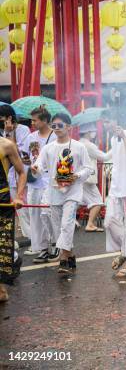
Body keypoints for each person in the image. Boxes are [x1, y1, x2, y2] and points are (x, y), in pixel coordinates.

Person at [31, 113, 92, 276]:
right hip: (54, 192)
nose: (56, 129)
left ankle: (63, 259)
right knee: (58, 228)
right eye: (54, 126)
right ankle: (71, 254)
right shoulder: (48, 148)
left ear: (69, 127)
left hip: (73, 192)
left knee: (67, 224)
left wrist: (77, 176)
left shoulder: (79, 147)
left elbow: (88, 168)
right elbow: (39, 165)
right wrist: (35, 168)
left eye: (60, 125)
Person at [102, 110, 126, 278]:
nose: (106, 125)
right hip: (117, 190)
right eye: (104, 122)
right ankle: (124, 252)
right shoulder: (112, 139)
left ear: (117, 121)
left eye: (108, 121)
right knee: (109, 221)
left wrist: (124, 136)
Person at [24, 106, 58, 264]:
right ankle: (42, 249)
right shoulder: (31, 137)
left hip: (50, 182)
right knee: (35, 217)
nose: (32, 123)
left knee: (50, 215)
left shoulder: (55, 137)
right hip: (34, 182)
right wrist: (26, 162)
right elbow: (25, 156)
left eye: (35, 120)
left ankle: (57, 244)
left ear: (45, 121)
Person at [0, 131, 27, 302]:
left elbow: (21, 172)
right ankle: (15, 258)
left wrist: (18, 196)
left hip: (1, 202)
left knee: (1, 245)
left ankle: (2, 290)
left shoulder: (6, 145)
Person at [0, 105, 30, 244]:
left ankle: (32, 239)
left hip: (22, 178)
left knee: (27, 209)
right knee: (20, 214)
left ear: (9, 118)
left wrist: (8, 134)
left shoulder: (23, 130)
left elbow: (21, 154)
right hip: (10, 178)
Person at [78, 122, 110, 232]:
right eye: (93, 131)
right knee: (97, 201)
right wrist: (115, 148)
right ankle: (90, 224)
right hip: (88, 178)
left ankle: (70, 220)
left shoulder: (77, 144)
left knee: (76, 199)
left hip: (78, 177)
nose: (94, 133)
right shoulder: (89, 146)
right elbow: (104, 157)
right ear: (87, 132)